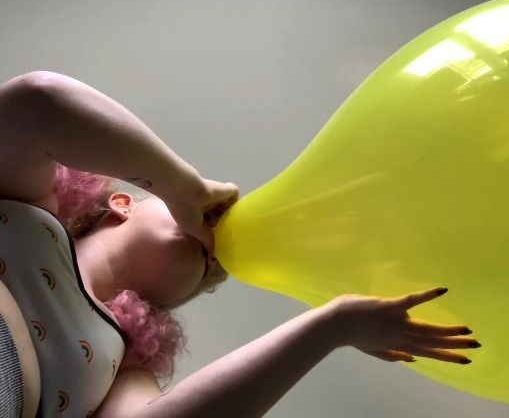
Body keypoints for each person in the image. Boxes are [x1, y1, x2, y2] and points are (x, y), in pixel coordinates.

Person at [0, 71, 480, 417]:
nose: (216, 239)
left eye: (212, 265)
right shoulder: (28, 206)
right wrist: (185, 189)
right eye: (212, 218)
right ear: (123, 203)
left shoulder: (121, 363)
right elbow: (39, 101)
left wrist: (330, 327)